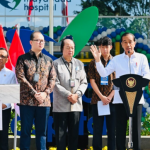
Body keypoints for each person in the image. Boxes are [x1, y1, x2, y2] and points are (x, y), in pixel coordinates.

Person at [90, 33, 150, 150]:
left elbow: (147, 75)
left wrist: (137, 89)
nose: (128, 44)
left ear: (134, 43)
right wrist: (97, 60)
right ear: (121, 44)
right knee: (120, 131)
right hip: (120, 100)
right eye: (125, 42)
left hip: (136, 100)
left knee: (136, 132)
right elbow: (104, 73)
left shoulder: (141, 58)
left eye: (130, 42)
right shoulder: (116, 59)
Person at [15, 31, 56, 150]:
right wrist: (34, 93)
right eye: (38, 40)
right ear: (31, 42)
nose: (41, 42)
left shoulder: (49, 60)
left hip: (43, 103)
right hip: (26, 102)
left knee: (42, 134)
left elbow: (53, 79)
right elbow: (20, 77)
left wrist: (45, 93)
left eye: (43, 40)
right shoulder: (23, 59)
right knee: (25, 132)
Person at [53, 38, 88, 150]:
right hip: (61, 106)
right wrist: (69, 95)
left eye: (72, 48)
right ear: (62, 48)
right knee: (60, 136)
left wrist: (77, 95)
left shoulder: (79, 63)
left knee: (74, 136)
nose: (70, 50)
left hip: (76, 105)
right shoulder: (55, 64)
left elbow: (84, 82)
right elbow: (55, 83)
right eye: (67, 47)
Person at [88, 37, 116, 150]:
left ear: (111, 47)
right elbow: (92, 80)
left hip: (113, 100)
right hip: (97, 100)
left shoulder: (116, 61)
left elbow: (118, 82)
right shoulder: (93, 62)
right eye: (102, 47)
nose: (105, 49)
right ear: (99, 47)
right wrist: (101, 97)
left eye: (107, 46)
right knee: (97, 129)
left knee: (112, 129)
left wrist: (109, 97)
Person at [0, 47, 16, 150]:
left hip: (3, 110)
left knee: (3, 138)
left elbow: (13, 94)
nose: (0, 58)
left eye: (2, 56)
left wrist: (6, 104)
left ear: (7, 59)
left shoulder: (11, 74)